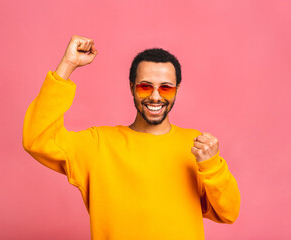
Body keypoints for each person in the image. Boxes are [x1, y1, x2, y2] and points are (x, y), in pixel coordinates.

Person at [22, 35, 240, 240]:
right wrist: (67, 65)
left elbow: (228, 212)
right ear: (131, 87)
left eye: (166, 88)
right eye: (145, 86)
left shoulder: (196, 146)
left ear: (177, 90)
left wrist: (212, 165)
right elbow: (38, 138)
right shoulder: (100, 144)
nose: (155, 96)